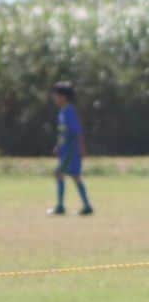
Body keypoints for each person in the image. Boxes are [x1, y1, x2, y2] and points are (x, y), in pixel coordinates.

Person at [48, 81, 93, 216]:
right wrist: (58, 145)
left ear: (63, 97)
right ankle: (86, 206)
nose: (54, 98)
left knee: (60, 173)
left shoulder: (69, 111)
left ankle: (61, 207)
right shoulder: (63, 111)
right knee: (75, 176)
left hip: (71, 151)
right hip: (66, 150)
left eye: (56, 95)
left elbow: (77, 131)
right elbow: (64, 132)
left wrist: (81, 148)